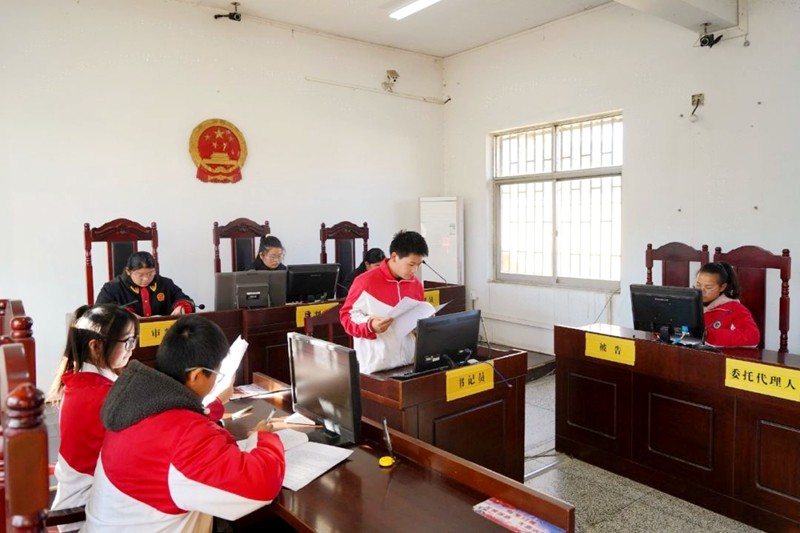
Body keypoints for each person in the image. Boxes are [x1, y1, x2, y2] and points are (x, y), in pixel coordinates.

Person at [83, 314, 286, 531]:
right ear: (196, 376)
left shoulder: (140, 401)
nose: (217, 380)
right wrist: (263, 438)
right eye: (217, 374)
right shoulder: (184, 437)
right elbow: (261, 485)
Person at [48, 304, 140, 518]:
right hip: (86, 513)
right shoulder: (102, 395)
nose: (132, 348)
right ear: (96, 346)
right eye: (127, 341)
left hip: (81, 499)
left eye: (134, 340)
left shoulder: (80, 381)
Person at [339, 230, 428, 373]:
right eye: (411, 264)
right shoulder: (365, 281)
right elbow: (346, 318)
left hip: (409, 363)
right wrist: (370, 326)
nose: (415, 270)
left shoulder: (416, 284)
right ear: (394, 257)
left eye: (419, 264)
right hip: (376, 367)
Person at [96, 251, 195, 317]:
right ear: (128, 271)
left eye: (150, 273)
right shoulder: (112, 288)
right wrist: (125, 316)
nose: (146, 279)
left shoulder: (165, 283)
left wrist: (181, 307)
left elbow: (184, 299)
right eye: (140, 275)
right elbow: (100, 312)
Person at [695, 261, 760, 347]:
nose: (701, 291)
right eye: (698, 285)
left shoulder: (734, 309)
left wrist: (709, 334)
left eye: (708, 287)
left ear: (722, 287)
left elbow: (752, 337)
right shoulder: (691, 305)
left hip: (719, 354)